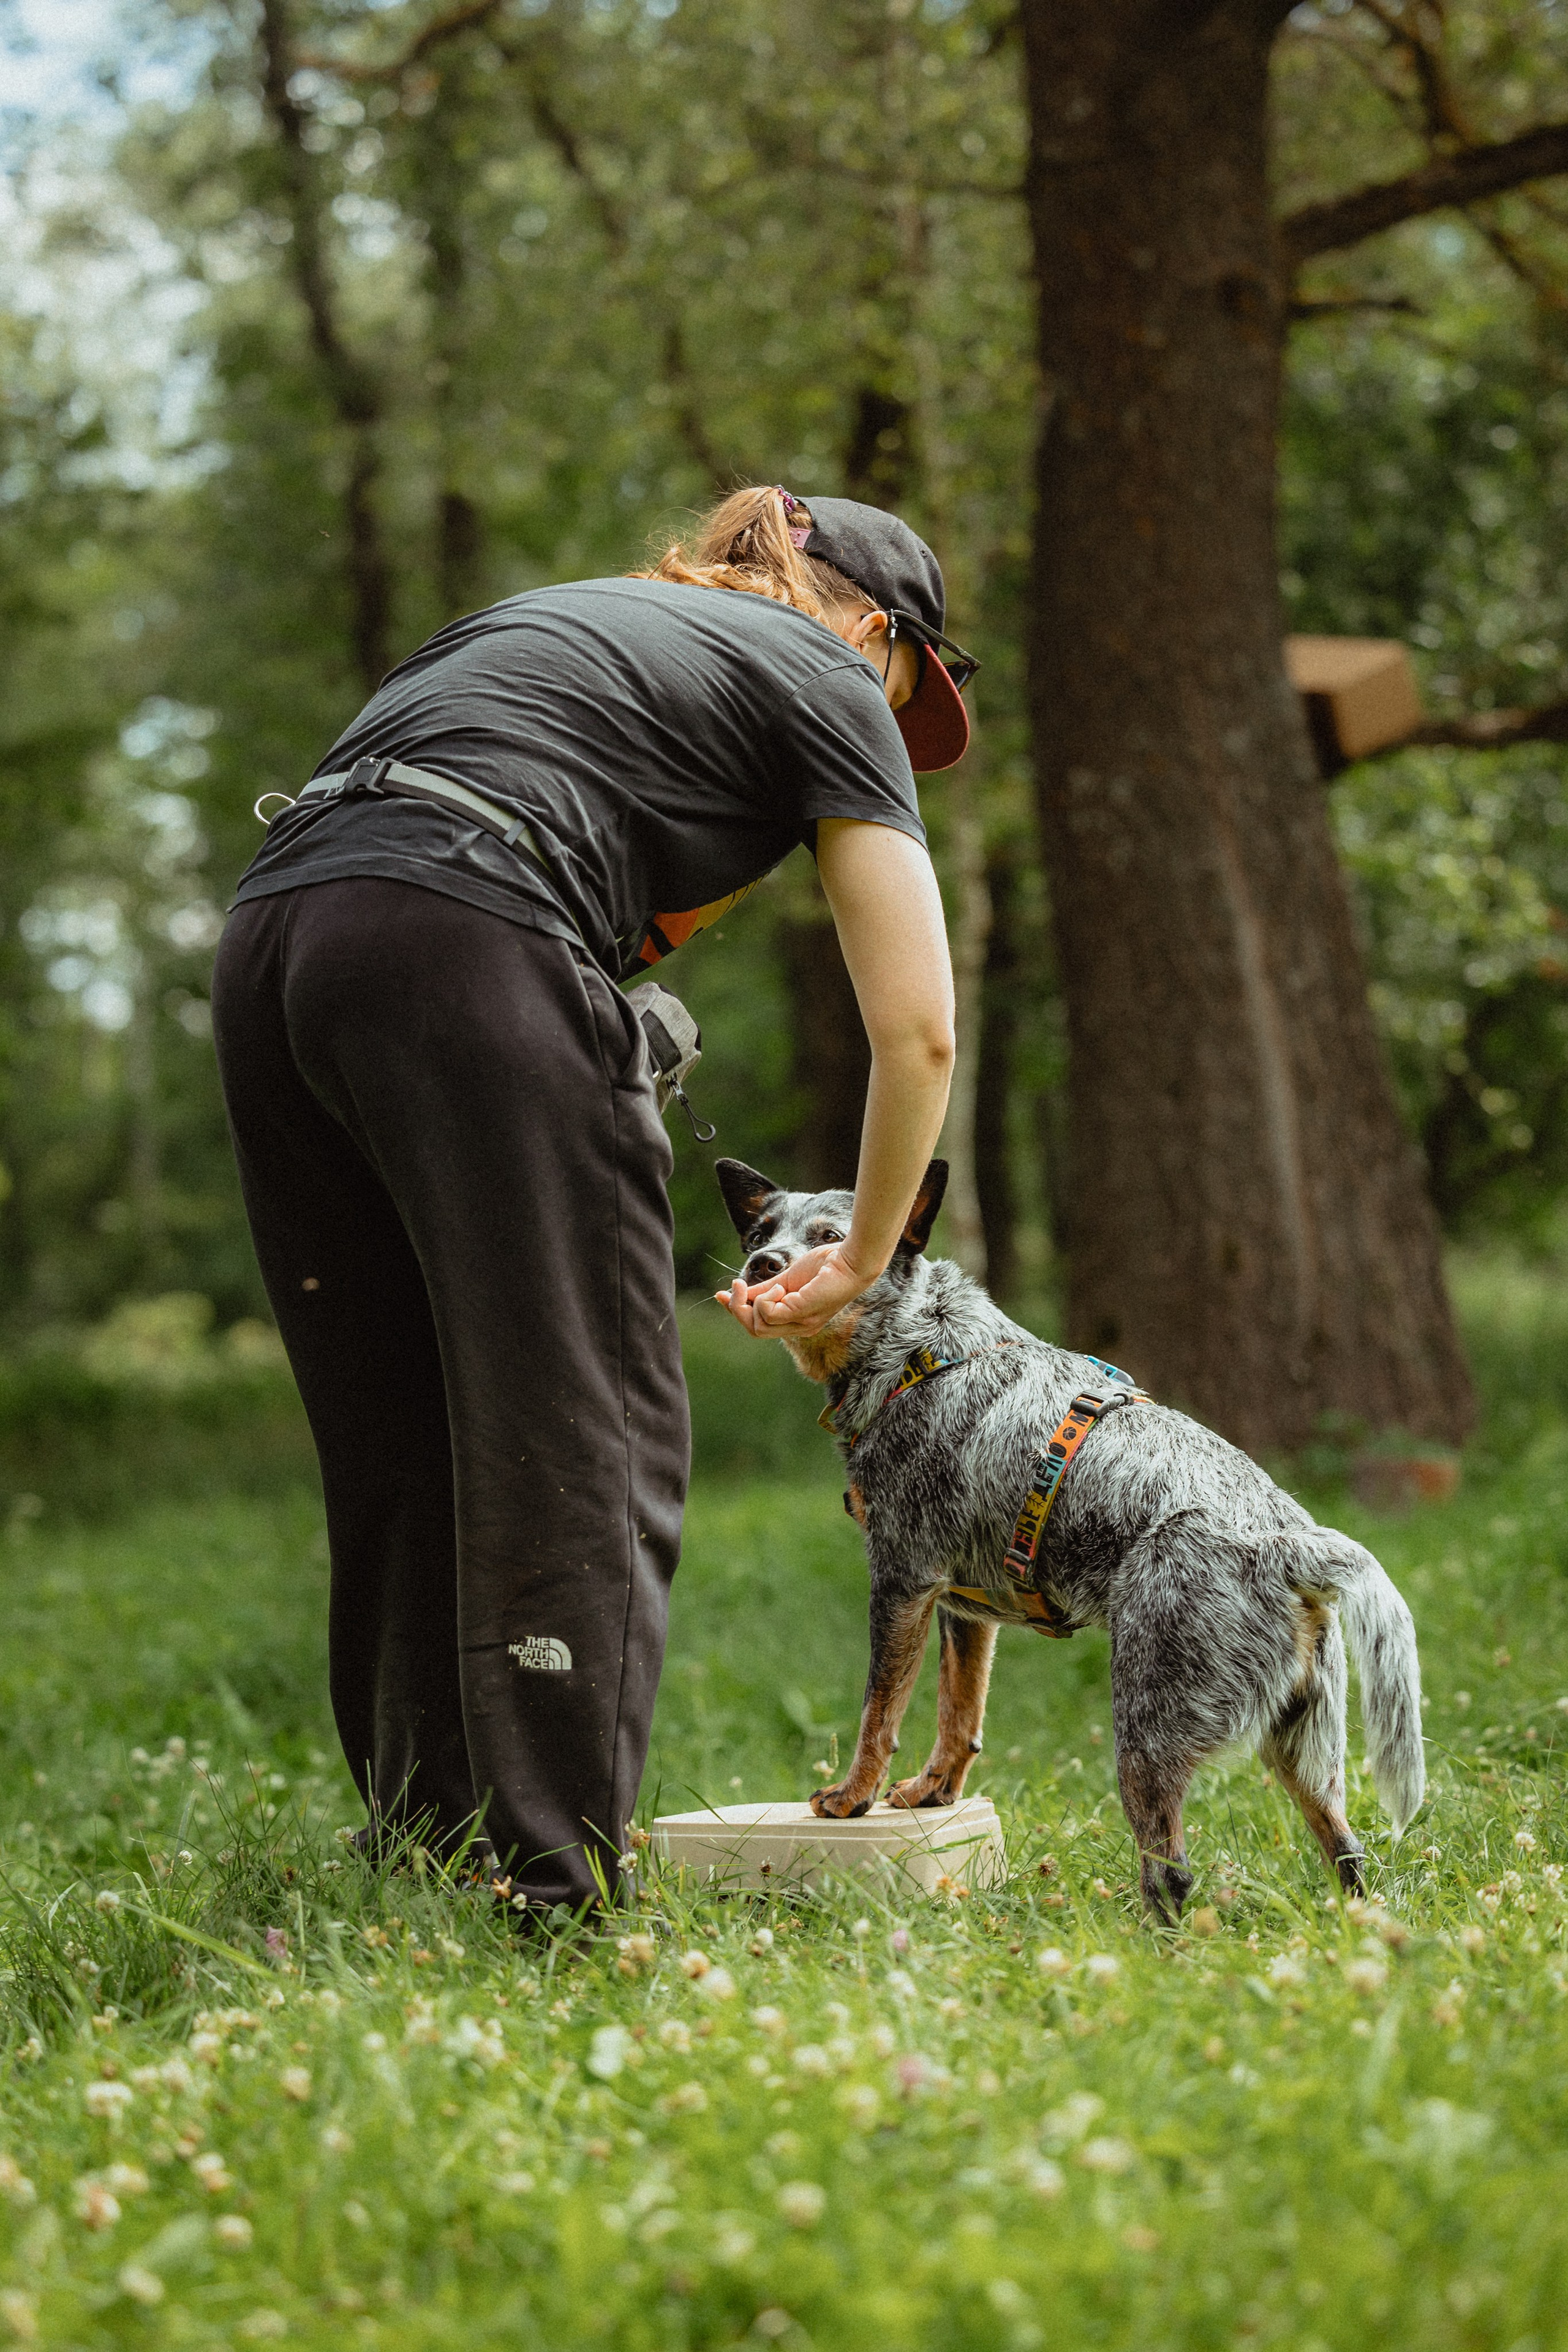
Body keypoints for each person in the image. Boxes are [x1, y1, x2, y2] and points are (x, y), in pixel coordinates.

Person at [210, 484, 976, 1914]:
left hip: (275, 941)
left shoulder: (556, 622)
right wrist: (865, 1256)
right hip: (462, 921)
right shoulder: (825, 671)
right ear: (874, 630)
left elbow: (516, 873)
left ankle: (428, 1864)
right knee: (586, 1427)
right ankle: (552, 1894)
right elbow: (918, 1030)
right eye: (905, 683)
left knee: (405, 1429)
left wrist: (583, 1012)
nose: (892, 716)